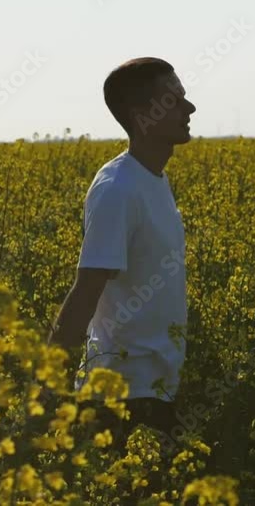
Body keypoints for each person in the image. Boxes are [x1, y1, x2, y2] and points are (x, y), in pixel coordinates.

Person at [47, 57, 196, 444]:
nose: (189, 107)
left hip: (154, 389)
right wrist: (46, 392)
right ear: (142, 114)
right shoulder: (118, 188)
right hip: (121, 395)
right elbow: (86, 290)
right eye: (175, 99)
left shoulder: (153, 179)